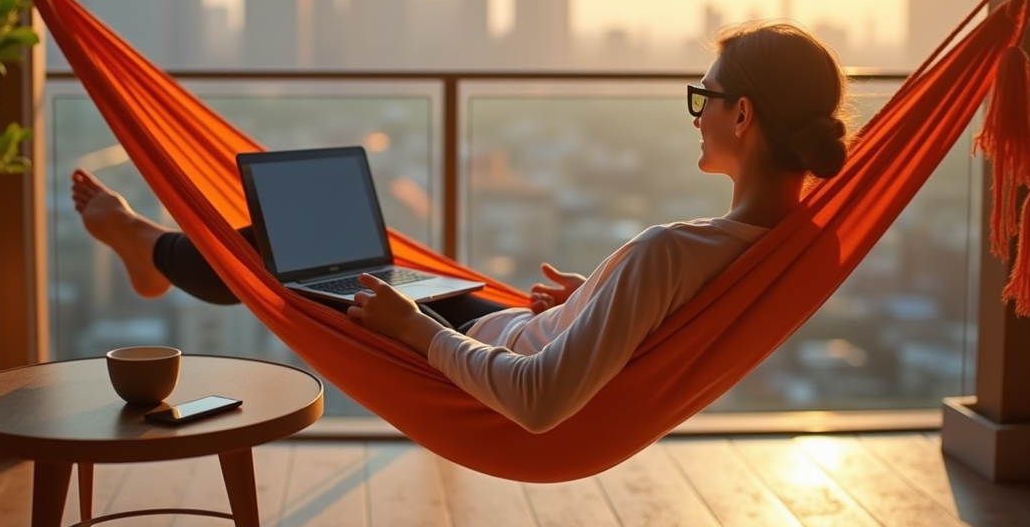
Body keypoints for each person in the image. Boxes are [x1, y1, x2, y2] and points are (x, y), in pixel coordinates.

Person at [72, 22, 850, 433]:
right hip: (516, 333)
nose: (695, 112)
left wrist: (415, 331)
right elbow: (664, 318)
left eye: (701, 97)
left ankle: (148, 249)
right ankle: (150, 250)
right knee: (311, 250)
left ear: (741, 115)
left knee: (281, 250)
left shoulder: (673, 251)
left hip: (487, 362)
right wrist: (598, 299)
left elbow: (541, 403)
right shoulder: (794, 238)